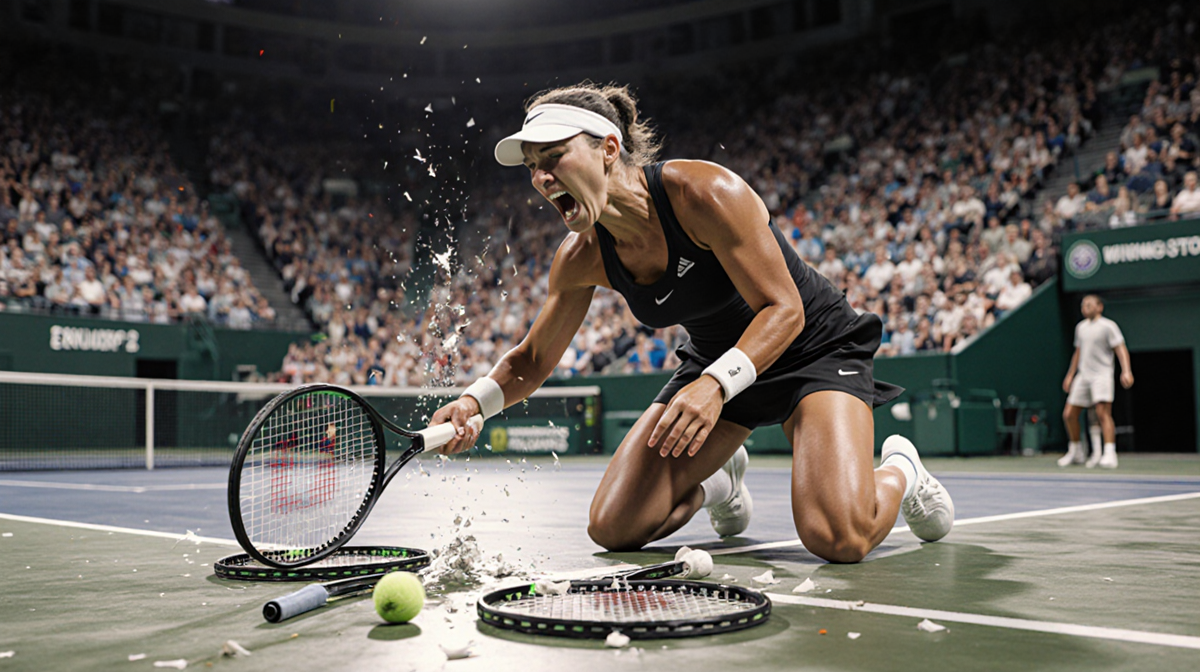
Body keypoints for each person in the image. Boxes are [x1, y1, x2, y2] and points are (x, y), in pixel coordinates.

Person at [429, 83, 954, 563]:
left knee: (838, 537)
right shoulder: (581, 256)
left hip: (810, 349)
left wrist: (715, 385)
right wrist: (476, 401)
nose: (541, 178)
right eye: (532, 166)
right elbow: (534, 358)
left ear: (609, 149)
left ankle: (902, 471)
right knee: (613, 526)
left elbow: (784, 309)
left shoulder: (702, 193)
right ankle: (720, 485)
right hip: (717, 368)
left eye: (555, 157)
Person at [1059, 295, 1134, 469]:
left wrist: (1126, 370)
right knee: (1069, 414)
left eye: (1089, 304)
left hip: (1102, 375)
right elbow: (1078, 353)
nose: (1085, 307)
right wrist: (1070, 375)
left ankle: (1109, 453)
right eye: (1083, 305)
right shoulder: (1081, 328)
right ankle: (1076, 451)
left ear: (1099, 307)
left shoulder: (1109, 326)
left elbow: (1120, 348)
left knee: (1102, 414)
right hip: (1083, 376)